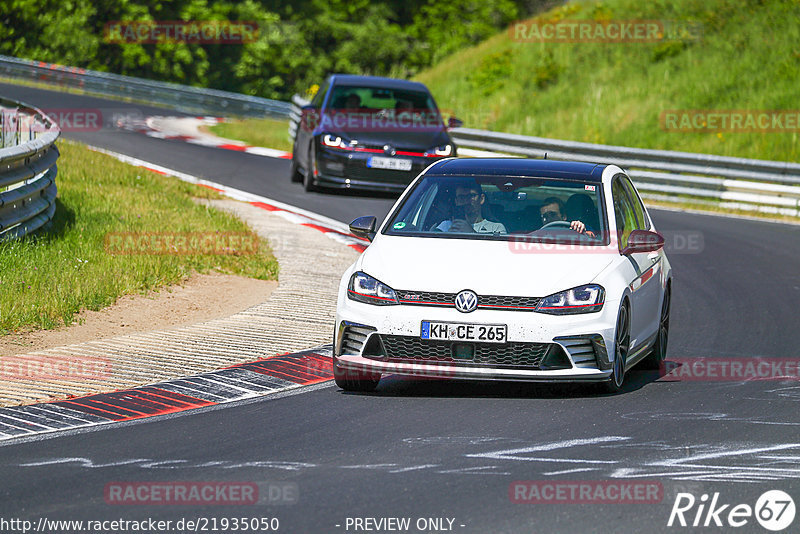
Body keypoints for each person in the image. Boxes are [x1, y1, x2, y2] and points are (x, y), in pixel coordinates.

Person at [436, 184, 506, 234]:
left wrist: (471, 233)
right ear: (456, 201)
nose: (466, 201)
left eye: (471, 196)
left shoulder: (496, 228)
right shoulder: (445, 226)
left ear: (481, 199)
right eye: (461, 197)